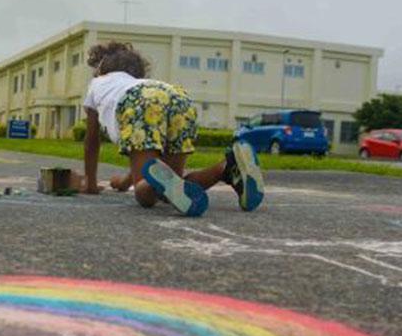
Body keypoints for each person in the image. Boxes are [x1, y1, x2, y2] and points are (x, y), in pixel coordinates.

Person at [80, 40, 264, 216]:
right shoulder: (141, 83)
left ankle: (157, 188)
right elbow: (150, 163)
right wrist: (122, 182)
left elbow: (91, 141)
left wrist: (90, 183)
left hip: (138, 101)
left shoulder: (97, 84)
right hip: (177, 97)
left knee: (146, 195)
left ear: (100, 69)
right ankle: (226, 168)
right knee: (172, 187)